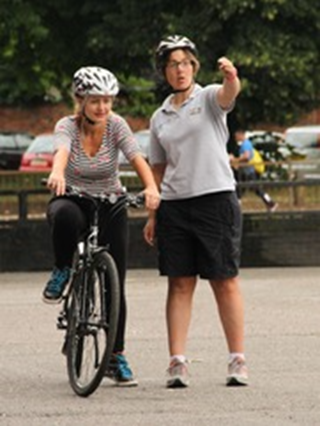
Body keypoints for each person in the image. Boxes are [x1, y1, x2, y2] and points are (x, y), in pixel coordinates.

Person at [42, 66, 160, 386]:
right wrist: (58, 174)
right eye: (95, 100)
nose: (102, 107)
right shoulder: (66, 125)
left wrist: (150, 188)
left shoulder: (116, 126)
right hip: (74, 197)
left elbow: (137, 159)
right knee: (64, 214)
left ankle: (116, 355)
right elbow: (62, 151)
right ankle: (63, 269)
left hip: (111, 201)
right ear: (80, 99)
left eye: (107, 100)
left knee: (115, 283)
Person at [143, 35, 248, 388]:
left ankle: (237, 359)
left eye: (186, 62)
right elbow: (157, 168)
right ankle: (177, 362)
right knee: (180, 282)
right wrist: (154, 213)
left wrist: (231, 76)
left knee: (224, 279)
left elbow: (228, 95)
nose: (180, 70)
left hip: (215, 199)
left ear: (195, 67)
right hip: (174, 205)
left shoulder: (207, 98)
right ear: (164, 71)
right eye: (173, 64)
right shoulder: (159, 116)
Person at [232, 129, 278, 211]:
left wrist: (235, 160)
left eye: (236, 135)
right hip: (248, 171)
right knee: (248, 190)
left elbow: (246, 157)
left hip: (248, 172)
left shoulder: (245, 144)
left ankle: (271, 203)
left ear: (240, 134)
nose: (235, 138)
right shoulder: (246, 144)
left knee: (242, 189)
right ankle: (270, 203)